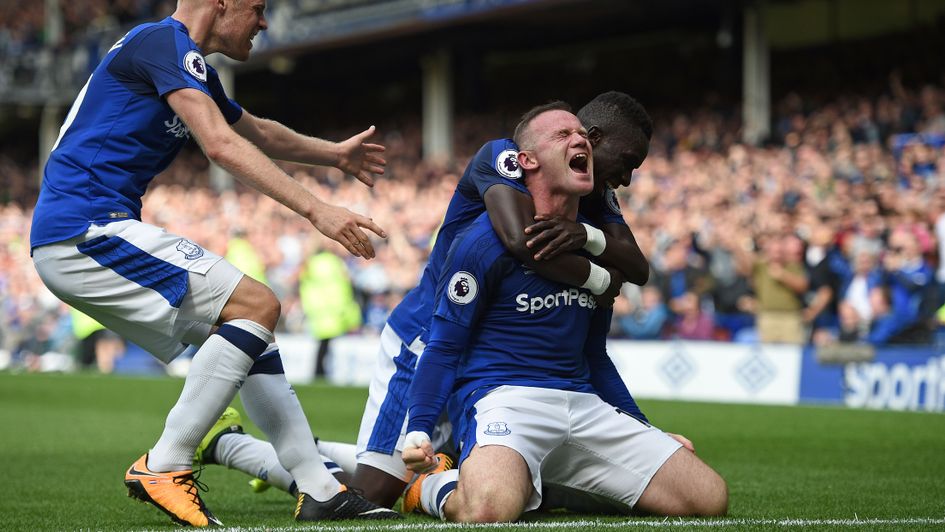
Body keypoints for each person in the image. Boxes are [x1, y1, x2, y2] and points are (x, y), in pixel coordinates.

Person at [29, 0, 398, 526]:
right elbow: (221, 145)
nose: (265, 22)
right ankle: (167, 462)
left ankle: (319, 488)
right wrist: (317, 209)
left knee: (247, 326)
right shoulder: (162, 43)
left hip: (85, 231)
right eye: (258, 8)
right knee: (257, 303)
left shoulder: (184, 62)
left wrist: (334, 154)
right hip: (84, 229)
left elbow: (259, 133)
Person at [195, 91, 657, 508]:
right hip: (429, 335)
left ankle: (323, 455)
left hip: (488, 363)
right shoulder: (506, 157)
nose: (628, 176)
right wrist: (600, 279)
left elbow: (636, 267)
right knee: (373, 495)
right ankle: (235, 447)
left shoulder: (596, 198)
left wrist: (586, 235)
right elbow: (522, 242)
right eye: (629, 159)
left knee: (442, 468)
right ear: (591, 138)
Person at [401, 104, 727, 522]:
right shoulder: (483, 241)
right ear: (527, 162)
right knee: (487, 511)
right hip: (503, 399)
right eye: (562, 135)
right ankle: (431, 488)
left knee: (708, 499)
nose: (579, 141)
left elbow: (595, 357)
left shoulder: (597, 247)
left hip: (583, 402)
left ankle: (549, 484)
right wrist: (419, 430)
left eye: (581, 134)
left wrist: (645, 429)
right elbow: (445, 347)